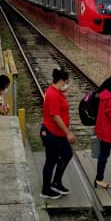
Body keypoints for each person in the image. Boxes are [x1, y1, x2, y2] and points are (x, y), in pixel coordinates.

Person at [40, 68, 74, 200]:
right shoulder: (53, 94)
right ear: (61, 81)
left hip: (59, 134)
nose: (67, 84)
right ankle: (46, 189)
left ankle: (56, 182)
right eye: (67, 82)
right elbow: (55, 116)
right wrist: (68, 133)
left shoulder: (57, 92)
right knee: (51, 161)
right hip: (52, 133)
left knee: (67, 154)